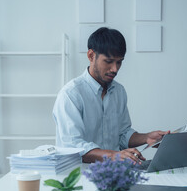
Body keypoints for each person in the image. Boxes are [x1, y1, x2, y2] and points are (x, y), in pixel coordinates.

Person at [53, 27, 169, 163]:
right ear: (91, 56)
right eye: (108, 61)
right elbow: (73, 146)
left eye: (119, 62)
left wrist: (147, 138)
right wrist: (114, 155)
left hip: (115, 173)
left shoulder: (119, 91)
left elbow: (122, 134)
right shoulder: (71, 94)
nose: (115, 69)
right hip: (81, 175)